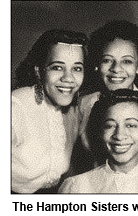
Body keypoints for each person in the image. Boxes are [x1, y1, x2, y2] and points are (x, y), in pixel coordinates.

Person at [74, 20, 138, 174]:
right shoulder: (84, 104)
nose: (116, 69)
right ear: (97, 65)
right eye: (107, 60)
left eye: (126, 61)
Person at [12, 29, 88, 193]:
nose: (68, 78)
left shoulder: (73, 109)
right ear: (39, 71)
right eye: (57, 67)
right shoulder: (14, 107)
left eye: (77, 68)